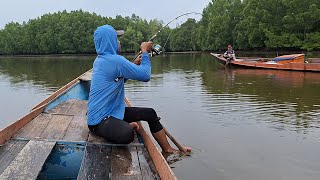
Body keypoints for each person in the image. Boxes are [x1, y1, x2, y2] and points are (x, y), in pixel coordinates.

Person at [87, 24, 191, 154]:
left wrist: (134, 64)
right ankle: (118, 127)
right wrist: (145, 52)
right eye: (116, 38)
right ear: (110, 41)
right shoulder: (115, 61)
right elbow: (145, 76)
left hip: (113, 112)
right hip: (99, 121)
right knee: (127, 134)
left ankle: (168, 149)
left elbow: (119, 80)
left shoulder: (101, 59)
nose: (119, 42)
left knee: (150, 113)